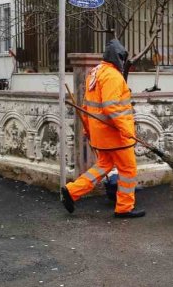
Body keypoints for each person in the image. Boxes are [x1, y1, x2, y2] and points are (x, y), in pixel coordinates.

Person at [61, 39, 145, 218]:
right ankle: (124, 207)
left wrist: (89, 129)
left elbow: (86, 105)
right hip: (115, 135)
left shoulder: (95, 72)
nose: (123, 62)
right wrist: (126, 130)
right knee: (128, 169)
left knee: (103, 165)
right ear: (118, 58)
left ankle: (72, 191)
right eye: (122, 58)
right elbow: (111, 107)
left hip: (101, 133)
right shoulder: (113, 76)